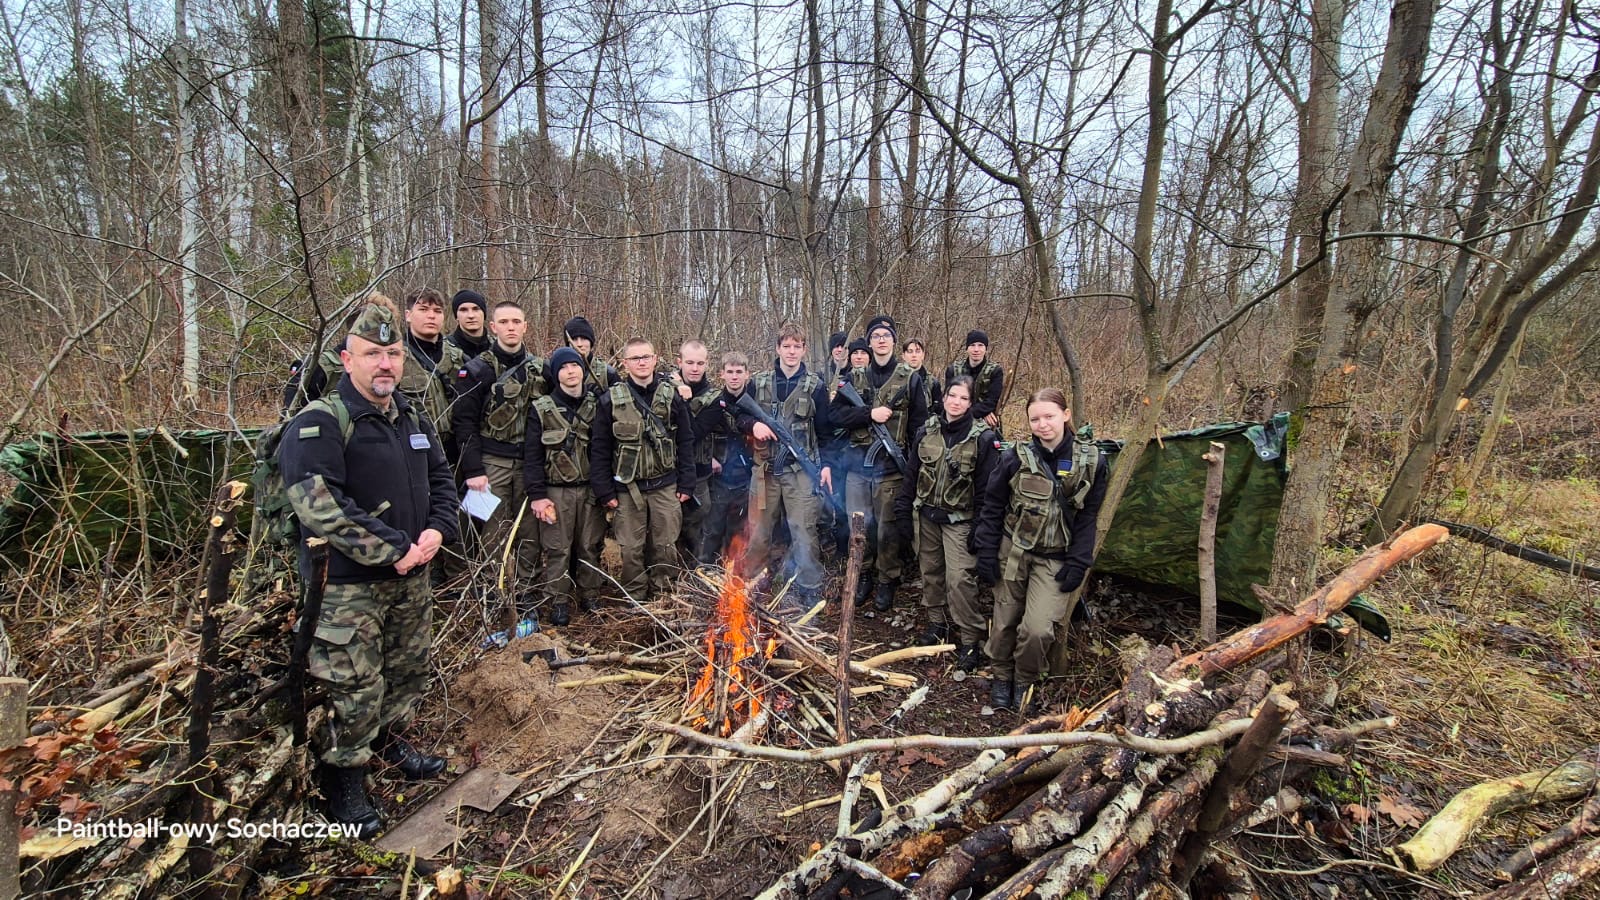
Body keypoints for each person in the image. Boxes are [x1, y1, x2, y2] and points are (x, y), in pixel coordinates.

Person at [277, 295, 458, 838]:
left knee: (406, 669)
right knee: (353, 685)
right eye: (374, 353)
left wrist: (436, 532)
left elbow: (443, 484)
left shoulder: (410, 416)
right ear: (346, 357)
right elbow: (319, 506)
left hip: (412, 574)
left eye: (394, 354)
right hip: (348, 586)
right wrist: (392, 548)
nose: (386, 364)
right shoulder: (319, 424)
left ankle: (390, 741)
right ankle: (345, 780)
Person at [972, 388, 1108, 714]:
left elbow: (1089, 516)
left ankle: (1025, 679)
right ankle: (1002, 676)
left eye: (1049, 416)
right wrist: (987, 553)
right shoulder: (1014, 457)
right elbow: (992, 506)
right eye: (1035, 419)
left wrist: (1079, 562)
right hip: (1013, 551)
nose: (1043, 424)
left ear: (1065, 414)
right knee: (1004, 621)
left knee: (1036, 629)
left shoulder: (1091, 461)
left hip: (1055, 559)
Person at [452, 300, 548, 624]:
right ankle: (495, 598)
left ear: (525, 327)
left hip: (530, 463)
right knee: (493, 535)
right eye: (503, 321)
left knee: (530, 535)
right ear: (492, 327)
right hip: (491, 464)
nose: (510, 327)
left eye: (516, 321)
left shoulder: (541, 369)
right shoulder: (477, 369)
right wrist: (474, 470)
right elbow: (463, 424)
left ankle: (526, 597)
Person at [894, 377, 999, 669]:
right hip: (926, 517)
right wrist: (903, 510)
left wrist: (979, 528)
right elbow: (912, 474)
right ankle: (937, 625)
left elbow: (987, 491)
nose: (956, 402)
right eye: (952, 395)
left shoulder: (983, 438)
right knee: (931, 573)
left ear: (970, 403)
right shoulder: (926, 431)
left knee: (960, 580)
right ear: (943, 398)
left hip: (960, 522)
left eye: (963, 398)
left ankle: (969, 639)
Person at [831, 316, 928, 612]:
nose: (882, 340)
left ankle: (888, 579)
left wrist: (913, 467)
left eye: (887, 335)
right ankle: (863, 575)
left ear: (894, 342)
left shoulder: (910, 378)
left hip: (890, 471)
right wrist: (868, 415)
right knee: (858, 526)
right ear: (869, 343)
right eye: (876, 336)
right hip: (858, 469)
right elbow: (834, 417)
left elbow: (919, 427)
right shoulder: (852, 378)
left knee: (887, 529)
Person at [589, 338, 696, 600]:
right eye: (635, 358)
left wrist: (686, 483)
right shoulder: (610, 400)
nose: (641, 362)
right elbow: (600, 448)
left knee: (666, 546)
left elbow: (685, 440)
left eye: (646, 357)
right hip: (627, 489)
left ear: (655, 358)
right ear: (625, 363)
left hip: (665, 485)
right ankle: (635, 596)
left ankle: (663, 595)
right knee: (630, 548)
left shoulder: (671, 396)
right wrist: (605, 490)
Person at [738, 323, 834, 608]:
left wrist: (826, 465)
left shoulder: (815, 386)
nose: (791, 352)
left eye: (797, 346)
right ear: (778, 348)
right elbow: (739, 417)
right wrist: (753, 425)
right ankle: (753, 582)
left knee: (804, 530)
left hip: (800, 472)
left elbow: (825, 430)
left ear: (804, 350)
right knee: (758, 531)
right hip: (765, 471)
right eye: (786, 346)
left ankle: (809, 586)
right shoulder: (759, 382)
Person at [524, 347, 606, 625]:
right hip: (555, 490)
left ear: (583, 369)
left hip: (590, 489)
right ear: (555, 373)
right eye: (563, 367)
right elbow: (532, 456)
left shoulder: (598, 405)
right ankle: (558, 601)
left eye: (575, 365)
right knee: (558, 548)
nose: (570, 371)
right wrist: (537, 495)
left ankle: (590, 595)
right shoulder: (541, 409)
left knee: (589, 545)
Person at [694, 352, 755, 564]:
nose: (734, 377)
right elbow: (698, 434)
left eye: (739, 372)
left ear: (748, 374)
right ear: (722, 374)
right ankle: (705, 570)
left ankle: (733, 574)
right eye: (730, 372)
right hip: (719, 478)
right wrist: (709, 458)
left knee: (739, 531)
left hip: (748, 477)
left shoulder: (755, 403)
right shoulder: (713, 403)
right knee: (712, 528)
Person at [398, 288, 467, 465]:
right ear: (408, 315)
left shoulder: (457, 357)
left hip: (456, 453)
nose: (431, 316)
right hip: (413, 453)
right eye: (423, 310)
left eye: (437, 311)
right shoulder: (396, 358)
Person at [674, 339, 715, 562]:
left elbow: (695, 433)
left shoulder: (713, 397)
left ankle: (693, 568)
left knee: (698, 517)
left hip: (698, 471)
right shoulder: (664, 388)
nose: (695, 368)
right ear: (679, 362)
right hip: (666, 471)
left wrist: (684, 403)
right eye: (689, 362)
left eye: (700, 363)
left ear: (707, 364)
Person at [944, 330, 1005, 428]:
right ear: (967, 348)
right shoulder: (953, 369)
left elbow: (992, 401)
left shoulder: (995, 371)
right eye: (972, 345)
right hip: (956, 418)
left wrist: (971, 413)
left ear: (986, 349)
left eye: (980, 345)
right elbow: (948, 397)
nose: (976, 349)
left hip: (984, 420)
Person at [561, 314, 620, 393]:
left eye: (584, 338)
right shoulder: (558, 372)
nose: (579, 344)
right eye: (574, 339)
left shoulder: (608, 374)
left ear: (591, 343)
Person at [446, 290, 492, 360]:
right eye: (463, 310)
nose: (471, 315)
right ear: (456, 316)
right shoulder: (443, 349)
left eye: (476, 309)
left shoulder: (498, 347)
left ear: (484, 314)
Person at [901, 339, 944, 414]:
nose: (914, 355)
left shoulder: (933, 383)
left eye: (917, 351)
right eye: (910, 351)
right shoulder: (894, 378)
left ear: (923, 355)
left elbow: (939, 413)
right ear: (903, 356)